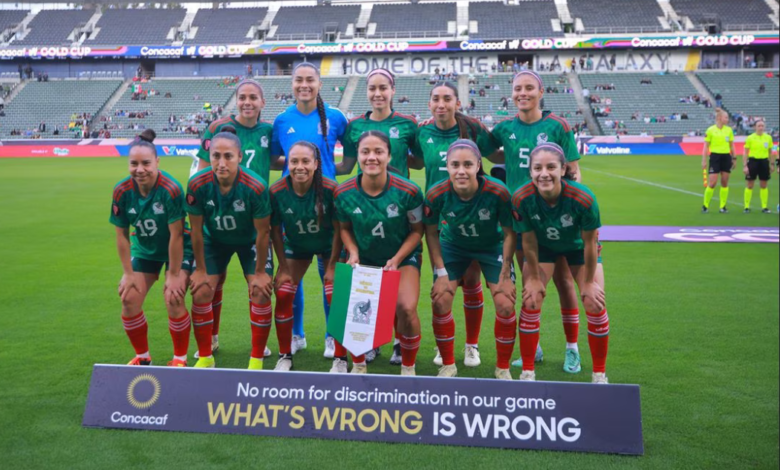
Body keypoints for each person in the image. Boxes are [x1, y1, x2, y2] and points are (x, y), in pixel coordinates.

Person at [490, 70, 584, 372]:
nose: (523, 93)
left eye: (529, 88)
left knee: (564, 282)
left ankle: (572, 348)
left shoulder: (557, 125)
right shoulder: (505, 128)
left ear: (541, 91)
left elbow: (574, 172)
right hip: (521, 219)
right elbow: (490, 152)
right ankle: (535, 346)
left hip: (555, 218)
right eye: (518, 88)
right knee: (531, 282)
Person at [410, 81, 501, 369]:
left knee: (472, 281)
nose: (441, 104)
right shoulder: (422, 131)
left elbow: (494, 153)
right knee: (442, 287)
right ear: (429, 104)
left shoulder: (472, 128)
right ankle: (443, 346)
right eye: (435, 98)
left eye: (447, 98)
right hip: (439, 218)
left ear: (457, 103)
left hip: (473, 212)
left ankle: (471, 346)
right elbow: (412, 158)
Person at [191, 79, 274, 360]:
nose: (247, 102)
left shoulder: (268, 130)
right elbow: (202, 172)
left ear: (263, 102)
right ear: (235, 100)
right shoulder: (217, 128)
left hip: (253, 218)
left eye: (253, 97)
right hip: (218, 219)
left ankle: (262, 348)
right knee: (211, 283)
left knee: (264, 286)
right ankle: (210, 339)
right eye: (242, 97)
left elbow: (276, 158)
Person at [271, 62, 349, 359]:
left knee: (329, 273)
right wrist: (297, 171)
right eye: (299, 80)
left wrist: (328, 171)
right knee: (292, 276)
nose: (304, 85)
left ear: (319, 83)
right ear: (292, 84)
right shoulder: (281, 120)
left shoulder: (337, 117)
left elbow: (350, 158)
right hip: (293, 204)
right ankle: (297, 334)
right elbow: (275, 158)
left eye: (310, 80)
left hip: (328, 204)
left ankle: (332, 337)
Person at [513, 143, 609, 384]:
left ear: (563, 168)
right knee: (531, 298)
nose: (544, 173)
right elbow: (529, 243)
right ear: (530, 171)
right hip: (543, 248)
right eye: (537, 168)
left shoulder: (583, 197)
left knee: (594, 302)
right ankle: (527, 373)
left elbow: (589, 244)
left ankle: (598, 374)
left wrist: (587, 282)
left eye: (551, 167)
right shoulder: (522, 198)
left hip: (578, 248)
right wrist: (533, 277)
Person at [333, 130, 425, 375]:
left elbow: (417, 231)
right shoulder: (343, 193)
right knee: (352, 308)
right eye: (365, 152)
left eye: (378, 152)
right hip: (362, 257)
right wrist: (352, 251)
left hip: (402, 256)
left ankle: (408, 366)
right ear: (358, 156)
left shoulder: (409, 191)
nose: (371, 157)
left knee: (405, 307)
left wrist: (396, 259)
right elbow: (344, 229)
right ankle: (359, 364)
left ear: (389, 156)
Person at [424, 140, 517, 379]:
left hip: (491, 246)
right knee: (440, 300)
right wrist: (441, 273)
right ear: (447, 166)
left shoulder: (498, 191)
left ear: (478, 165)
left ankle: (503, 368)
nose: (461, 170)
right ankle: (448, 364)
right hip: (454, 246)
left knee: (506, 304)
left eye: (467, 164)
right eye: (455, 165)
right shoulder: (436, 193)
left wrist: (506, 274)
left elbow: (509, 233)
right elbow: (431, 233)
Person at [109, 130, 193, 367]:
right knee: (129, 299)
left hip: (178, 249)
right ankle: (143, 356)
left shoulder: (171, 189)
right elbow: (122, 234)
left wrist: (174, 275)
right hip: (146, 250)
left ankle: (179, 359)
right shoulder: (121, 191)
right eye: (133, 163)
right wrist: (127, 273)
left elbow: (176, 235)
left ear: (157, 161)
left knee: (173, 298)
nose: (140, 169)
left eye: (146, 163)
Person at [268, 141, 341, 371]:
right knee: (283, 291)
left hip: (329, 247)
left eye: (305, 161)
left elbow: (341, 229)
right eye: (294, 161)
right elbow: (276, 233)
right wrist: (284, 267)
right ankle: (285, 355)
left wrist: (331, 266)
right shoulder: (277, 191)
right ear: (287, 164)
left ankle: (340, 358)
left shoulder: (330, 189)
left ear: (316, 164)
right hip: (296, 247)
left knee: (334, 292)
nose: (300, 166)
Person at [340, 69, 418, 179]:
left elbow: (419, 163)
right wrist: (314, 168)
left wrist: (398, 157)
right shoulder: (354, 125)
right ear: (366, 91)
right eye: (372, 88)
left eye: (383, 88)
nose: (377, 94)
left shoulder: (408, 124)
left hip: (398, 194)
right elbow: (346, 167)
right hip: (364, 195)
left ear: (393, 90)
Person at [702, 109, 736, 213]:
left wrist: (734, 158)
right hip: (715, 157)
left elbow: (731, 145)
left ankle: (722, 206)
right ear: (719, 118)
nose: (727, 119)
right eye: (726, 117)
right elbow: (706, 146)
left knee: (725, 182)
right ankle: (705, 206)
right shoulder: (710, 130)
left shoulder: (729, 130)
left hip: (726, 157)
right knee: (712, 183)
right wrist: (704, 160)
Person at [743, 120, 778, 213]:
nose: (761, 127)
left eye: (762, 126)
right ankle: (746, 207)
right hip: (753, 162)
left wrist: (771, 164)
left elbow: (771, 152)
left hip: (764, 162)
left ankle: (764, 207)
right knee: (750, 185)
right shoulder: (750, 138)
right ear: (755, 127)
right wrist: (745, 166)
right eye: (759, 126)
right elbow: (745, 153)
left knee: (764, 185)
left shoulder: (768, 138)